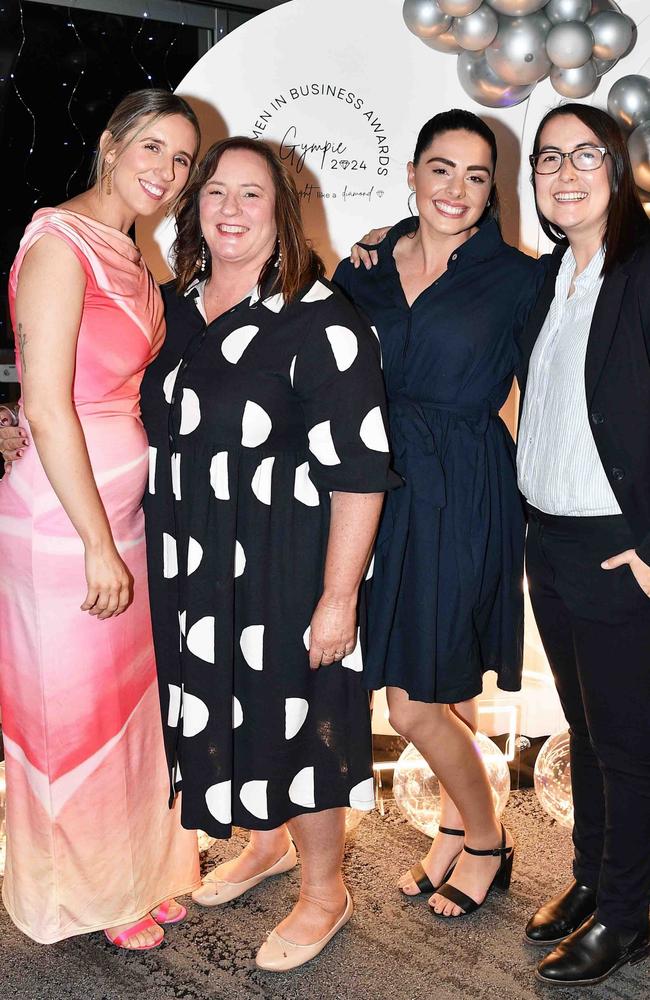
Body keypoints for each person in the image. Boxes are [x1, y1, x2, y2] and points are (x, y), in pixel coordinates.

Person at [140, 135, 396, 970]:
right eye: (215, 192)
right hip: (194, 559)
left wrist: (339, 596)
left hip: (287, 563)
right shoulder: (178, 305)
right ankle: (265, 845)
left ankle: (326, 890)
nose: (230, 210)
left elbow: (361, 472)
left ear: (283, 212)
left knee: (298, 718)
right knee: (228, 707)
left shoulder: (321, 320)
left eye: (252, 195)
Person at [0, 89, 202, 949]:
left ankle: (135, 872)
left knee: (127, 716)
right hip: (63, 526)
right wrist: (92, 544)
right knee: (67, 720)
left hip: (121, 520)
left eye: (182, 159)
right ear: (113, 145)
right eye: (152, 147)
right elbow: (46, 407)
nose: (165, 171)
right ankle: (79, 897)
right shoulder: (58, 242)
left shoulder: (129, 249)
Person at [337, 109, 545, 918]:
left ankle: (488, 838)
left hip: (464, 488)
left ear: (493, 189)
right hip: (379, 489)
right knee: (440, 680)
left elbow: (555, 392)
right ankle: (452, 834)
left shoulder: (521, 278)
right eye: (441, 168)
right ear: (414, 174)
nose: (456, 188)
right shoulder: (367, 268)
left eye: (476, 174)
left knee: (414, 700)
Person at [518, 103, 650, 987]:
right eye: (548, 158)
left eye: (586, 155)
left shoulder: (644, 270)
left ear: (619, 168)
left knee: (631, 745)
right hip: (550, 539)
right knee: (586, 728)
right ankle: (594, 880)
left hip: (616, 547)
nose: (566, 173)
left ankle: (631, 917)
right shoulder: (550, 276)